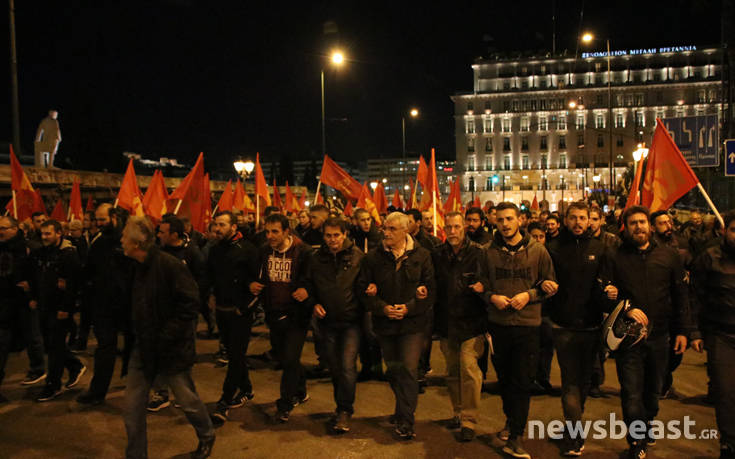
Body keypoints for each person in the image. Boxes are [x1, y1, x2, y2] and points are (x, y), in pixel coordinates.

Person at [120, 217, 214, 459]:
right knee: (131, 409)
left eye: (125, 238)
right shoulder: (134, 266)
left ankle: (206, 435)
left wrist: (166, 336)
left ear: (137, 243)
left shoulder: (169, 265)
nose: (121, 241)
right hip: (143, 348)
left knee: (187, 400)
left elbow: (190, 304)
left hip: (170, 349)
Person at [610, 206, 693, 459]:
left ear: (650, 225)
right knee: (631, 391)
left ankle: (647, 424)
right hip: (629, 338)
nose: (639, 227)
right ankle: (636, 442)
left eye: (642, 222)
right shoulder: (615, 256)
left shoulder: (668, 256)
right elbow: (606, 294)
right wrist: (625, 307)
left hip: (660, 337)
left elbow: (681, 296)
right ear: (626, 226)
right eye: (633, 223)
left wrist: (683, 331)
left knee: (653, 391)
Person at [484, 202, 557, 459]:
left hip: (528, 325)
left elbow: (550, 285)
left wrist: (529, 295)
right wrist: (492, 297)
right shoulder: (487, 252)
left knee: (522, 381)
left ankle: (516, 435)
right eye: (500, 219)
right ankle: (510, 419)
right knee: (504, 380)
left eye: (509, 219)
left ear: (520, 221)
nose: (505, 224)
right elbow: (480, 286)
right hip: (499, 325)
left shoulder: (538, 251)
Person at [546, 202, 617, 455]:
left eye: (582, 218)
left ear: (590, 221)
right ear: (566, 220)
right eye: (573, 218)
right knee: (570, 383)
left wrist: (609, 293)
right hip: (563, 326)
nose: (577, 222)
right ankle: (575, 436)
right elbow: (546, 282)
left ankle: (572, 424)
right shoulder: (553, 248)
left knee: (584, 382)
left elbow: (605, 285)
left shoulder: (601, 249)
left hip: (591, 326)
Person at [361, 212, 435, 440]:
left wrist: (409, 308)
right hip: (385, 324)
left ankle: (406, 420)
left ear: (405, 231)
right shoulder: (373, 258)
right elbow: (363, 289)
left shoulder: (422, 256)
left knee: (409, 370)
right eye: (385, 228)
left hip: (412, 325)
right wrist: (382, 307)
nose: (386, 232)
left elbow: (430, 290)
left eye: (392, 229)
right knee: (393, 371)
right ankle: (401, 408)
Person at [306, 217, 367, 433]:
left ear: (345, 235)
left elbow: (364, 287)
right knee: (334, 367)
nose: (332, 240)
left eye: (336, 235)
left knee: (348, 367)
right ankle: (340, 406)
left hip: (351, 322)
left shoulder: (358, 257)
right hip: (327, 322)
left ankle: (344, 411)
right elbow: (309, 285)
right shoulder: (316, 258)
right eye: (328, 236)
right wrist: (314, 304)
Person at [250, 214, 312, 422]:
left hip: (297, 314)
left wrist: (306, 290)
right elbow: (256, 274)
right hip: (273, 312)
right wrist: (252, 285)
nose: (270, 236)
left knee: (290, 359)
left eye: (275, 231)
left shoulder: (304, 252)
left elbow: (314, 278)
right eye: (267, 231)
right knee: (286, 357)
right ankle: (301, 390)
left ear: (287, 232)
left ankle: (285, 404)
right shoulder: (263, 251)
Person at [433, 212, 488, 442]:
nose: (453, 231)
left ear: (464, 227)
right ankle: (457, 411)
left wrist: (484, 287)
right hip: (447, 324)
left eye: (456, 226)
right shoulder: (438, 254)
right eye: (449, 227)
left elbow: (490, 281)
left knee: (469, 371)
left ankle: (469, 420)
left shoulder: (478, 253)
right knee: (452, 372)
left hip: (472, 323)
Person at [77, 203, 135, 406]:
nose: (99, 223)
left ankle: (139, 386)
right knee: (105, 348)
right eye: (97, 220)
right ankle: (97, 390)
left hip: (129, 304)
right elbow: (90, 271)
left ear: (114, 218)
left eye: (103, 219)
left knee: (135, 347)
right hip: (103, 305)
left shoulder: (131, 241)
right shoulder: (99, 243)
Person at [690, 210, 735, 459]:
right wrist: (694, 331)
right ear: (723, 231)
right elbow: (694, 295)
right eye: (734, 230)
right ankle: (729, 442)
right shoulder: (710, 257)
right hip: (721, 334)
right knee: (726, 393)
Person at [207, 211, 258, 426]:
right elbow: (211, 275)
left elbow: (257, 283)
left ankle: (224, 401)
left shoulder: (248, 250)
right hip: (222, 310)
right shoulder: (215, 249)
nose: (217, 229)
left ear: (234, 227)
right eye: (215, 225)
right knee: (233, 353)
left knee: (236, 356)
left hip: (240, 313)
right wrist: (211, 295)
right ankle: (246, 389)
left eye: (222, 225)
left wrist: (244, 308)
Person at [31, 220, 86, 402]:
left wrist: (66, 308)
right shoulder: (43, 253)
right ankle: (74, 365)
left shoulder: (68, 255)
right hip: (45, 306)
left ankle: (53, 385)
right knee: (51, 344)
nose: (45, 237)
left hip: (59, 309)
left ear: (58, 233)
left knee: (55, 347)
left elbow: (72, 284)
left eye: (48, 233)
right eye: (43, 233)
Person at [0, 216, 35, 401]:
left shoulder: (26, 248)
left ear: (14, 229)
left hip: (21, 304)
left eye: (4, 228)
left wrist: (31, 290)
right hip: (4, 306)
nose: (1, 231)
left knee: (33, 339)